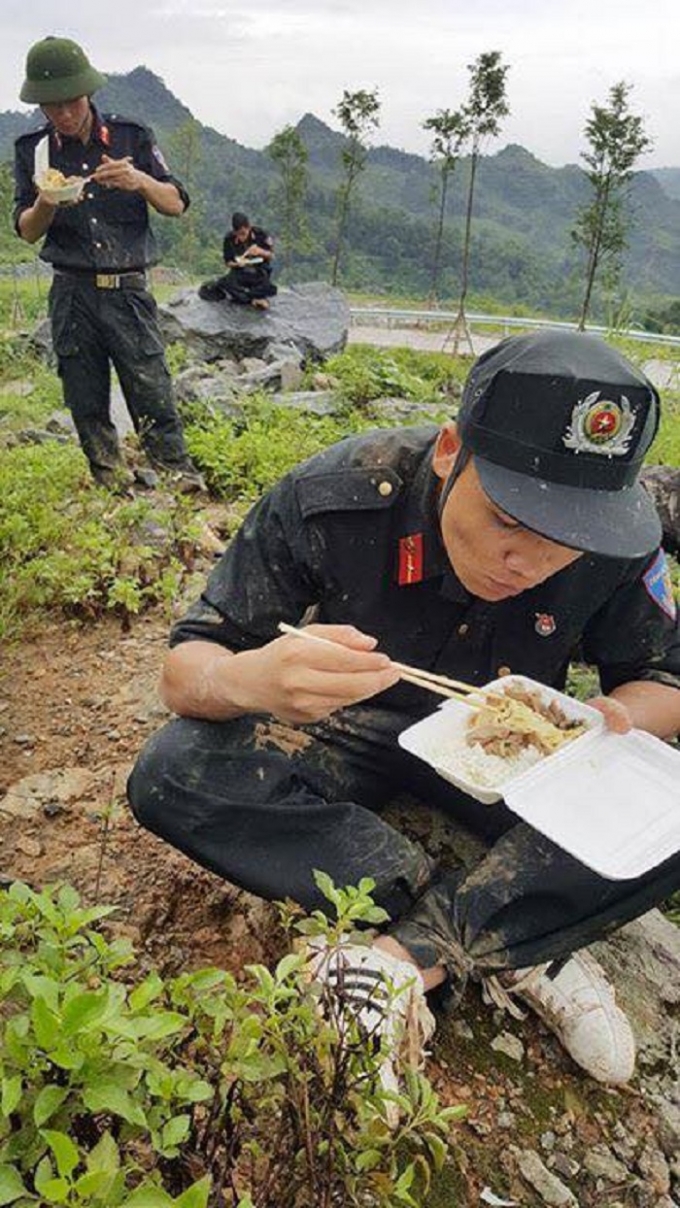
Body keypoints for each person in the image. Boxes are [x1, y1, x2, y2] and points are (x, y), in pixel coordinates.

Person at [128, 330, 680, 1099]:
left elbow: (663, 681)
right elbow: (189, 666)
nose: (529, 562)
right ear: (453, 450)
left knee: (668, 810)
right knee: (173, 772)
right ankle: (511, 929)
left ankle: (413, 953)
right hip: (346, 727)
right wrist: (250, 680)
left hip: (513, 764)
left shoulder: (616, 542)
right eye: (511, 519)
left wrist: (604, 723)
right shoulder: (340, 495)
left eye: (567, 541)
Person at [13, 36, 205, 492]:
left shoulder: (130, 136)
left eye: (71, 102)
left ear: (89, 92)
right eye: (51, 105)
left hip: (128, 288)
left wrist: (139, 180)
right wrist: (48, 201)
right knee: (84, 394)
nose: (63, 114)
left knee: (151, 386)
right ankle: (111, 483)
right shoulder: (33, 151)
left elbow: (175, 203)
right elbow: (26, 229)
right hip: (72, 290)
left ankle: (179, 481)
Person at [199, 211, 276, 310]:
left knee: (269, 288)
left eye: (243, 234)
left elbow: (271, 256)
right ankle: (253, 299)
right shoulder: (229, 239)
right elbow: (228, 262)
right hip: (240, 273)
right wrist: (237, 264)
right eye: (238, 234)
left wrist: (260, 252)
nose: (241, 238)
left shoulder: (260, 234)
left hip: (259, 273)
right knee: (222, 283)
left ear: (249, 227)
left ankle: (245, 296)